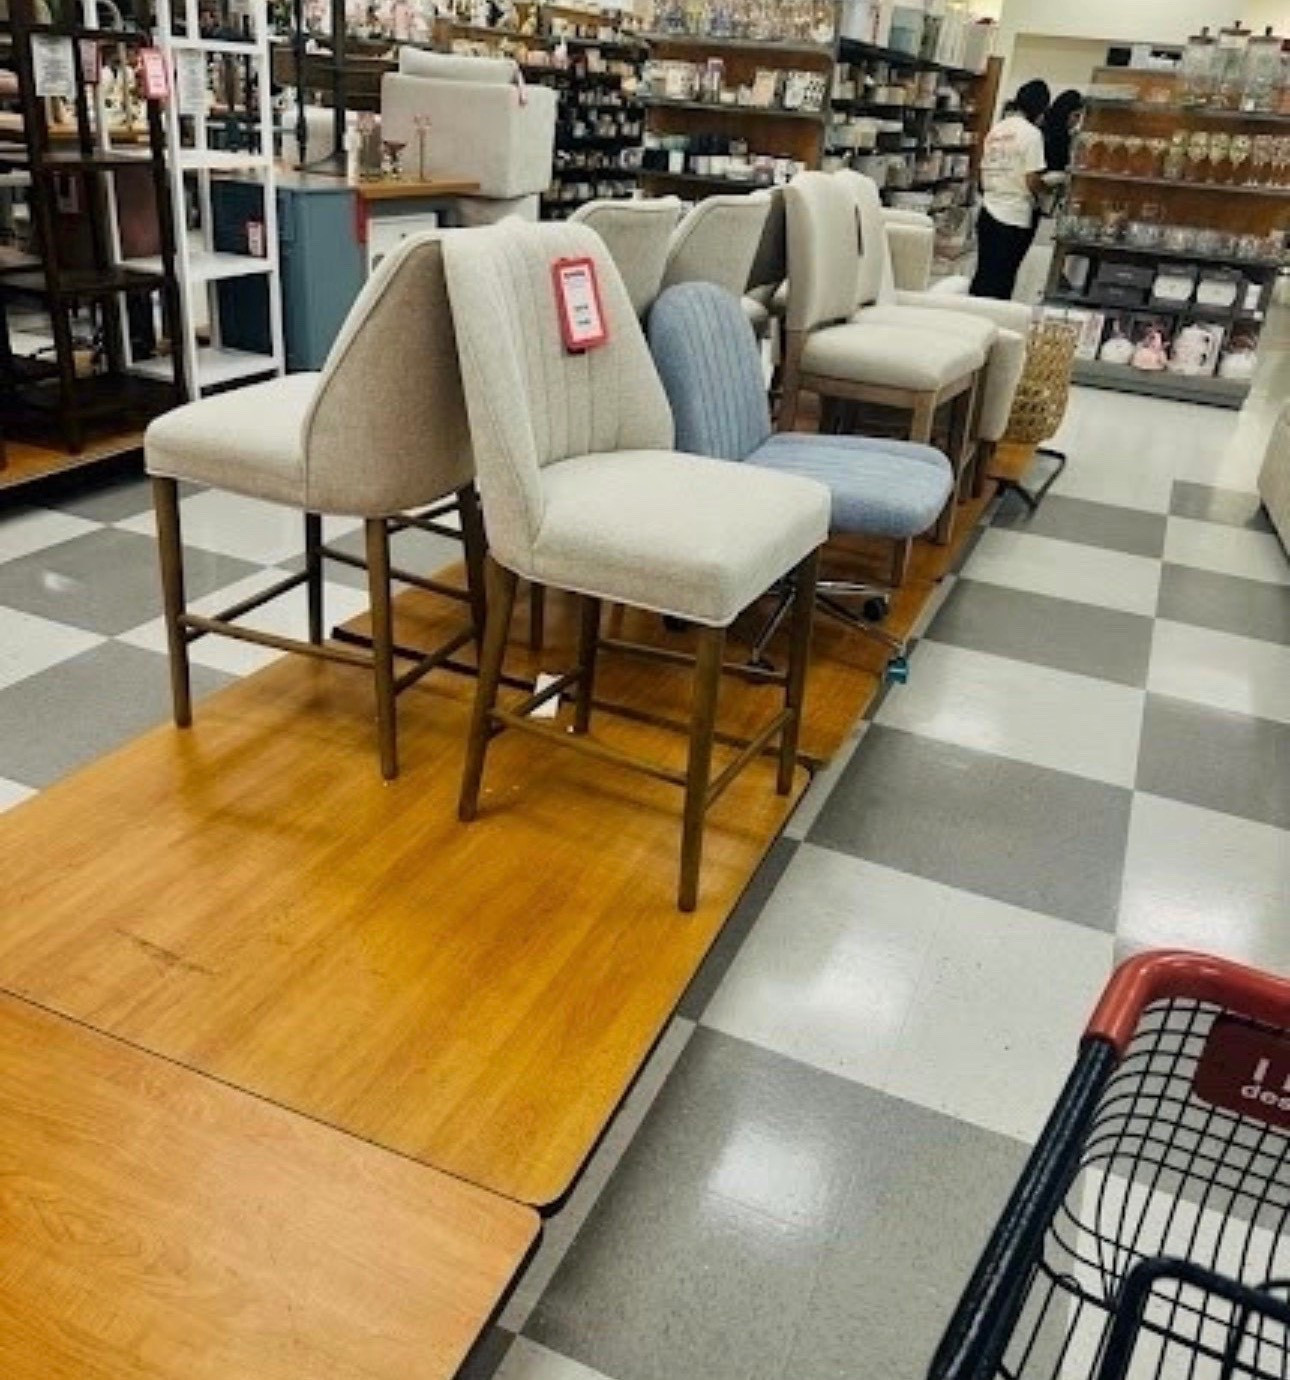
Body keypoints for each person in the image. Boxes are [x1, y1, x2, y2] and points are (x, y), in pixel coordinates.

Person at [970, 79, 1050, 301]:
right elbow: (1032, 178)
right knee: (1003, 277)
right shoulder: (1032, 134)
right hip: (1014, 214)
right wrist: (1046, 191)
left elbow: (982, 169)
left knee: (984, 273)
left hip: (988, 209)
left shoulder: (997, 130)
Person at [1041, 88, 1086, 176]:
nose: (1078, 121)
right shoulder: (1059, 137)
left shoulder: (1043, 127)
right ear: (1065, 112)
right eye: (1076, 116)